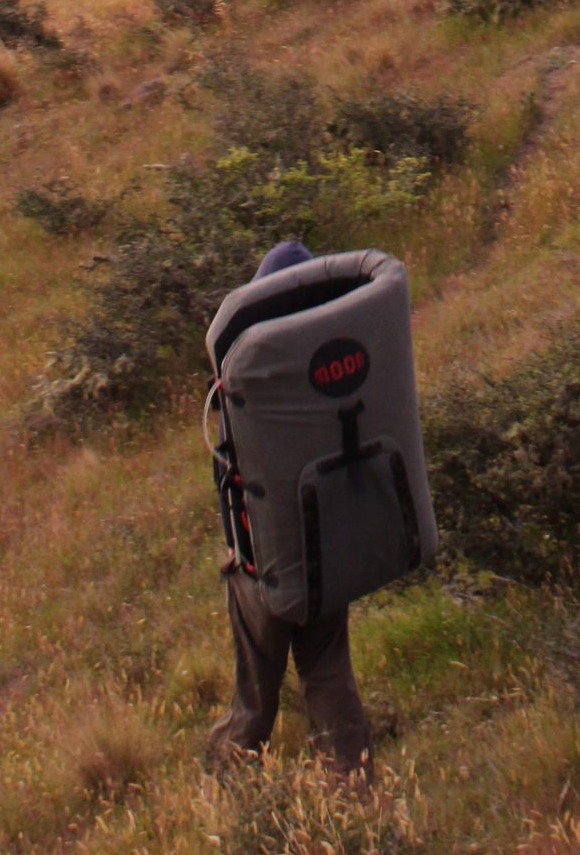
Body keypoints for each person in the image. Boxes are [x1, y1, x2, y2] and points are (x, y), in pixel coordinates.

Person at [206, 240, 373, 782]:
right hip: (327, 558)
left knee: (255, 696)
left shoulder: (250, 379)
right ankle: (353, 788)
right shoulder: (338, 377)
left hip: (263, 566)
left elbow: (226, 473)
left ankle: (229, 780)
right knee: (329, 676)